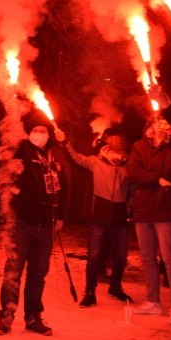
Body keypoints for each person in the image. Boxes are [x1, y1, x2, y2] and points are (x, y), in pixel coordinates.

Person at [0, 112, 65, 336]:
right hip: (22, 223)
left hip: (46, 224)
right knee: (13, 271)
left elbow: (65, 187)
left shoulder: (56, 155)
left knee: (38, 273)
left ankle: (33, 316)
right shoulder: (23, 151)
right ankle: (6, 315)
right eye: (35, 130)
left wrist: (61, 216)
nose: (39, 134)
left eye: (43, 131)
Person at [55, 127, 133, 307]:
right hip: (99, 213)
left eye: (118, 144)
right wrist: (65, 142)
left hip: (119, 215)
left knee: (121, 257)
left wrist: (128, 207)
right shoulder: (96, 162)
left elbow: (132, 191)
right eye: (112, 143)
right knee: (95, 255)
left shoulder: (129, 167)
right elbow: (76, 158)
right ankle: (90, 291)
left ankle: (115, 287)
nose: (115, 146)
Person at [126, 115, 171, 323]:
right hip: (144, 209)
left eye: (165, 124)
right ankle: (153, 301)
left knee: (170, 258)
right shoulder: (139, 147)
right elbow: (133, 171)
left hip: (166, 209)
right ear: (148, 129)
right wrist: (157, 179)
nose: (160, 127)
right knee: (147, 258)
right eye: (157, 124)